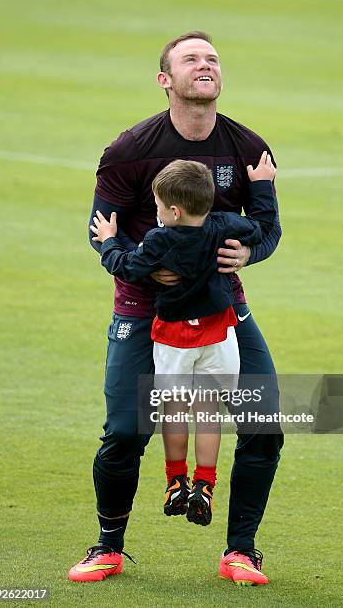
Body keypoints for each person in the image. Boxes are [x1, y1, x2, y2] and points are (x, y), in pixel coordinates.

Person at [68, 30, 284, 586]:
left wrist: (248, 251)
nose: (205, 64)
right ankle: (108, 547)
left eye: (212, 58)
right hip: (143, 313)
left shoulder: (246, 147)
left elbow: (268, 230)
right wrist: (135, 263)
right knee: (124, 430)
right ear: (167, 80)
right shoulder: (129, 151)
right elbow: (101, 233)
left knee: (264, 425)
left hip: (220, 312)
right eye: (191, 59)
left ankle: (241, 551)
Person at [89, 156, 276, 528]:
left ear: (173, 211)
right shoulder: (224, 225)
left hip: (175, 337)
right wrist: (261, 187)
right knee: (208, 412)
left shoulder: (159, 240)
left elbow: (126, 266)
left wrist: (109, 242)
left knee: (175, 408)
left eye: (158, 207)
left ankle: (176, 479)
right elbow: (259, 227)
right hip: (219, 336)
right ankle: (205, 483)